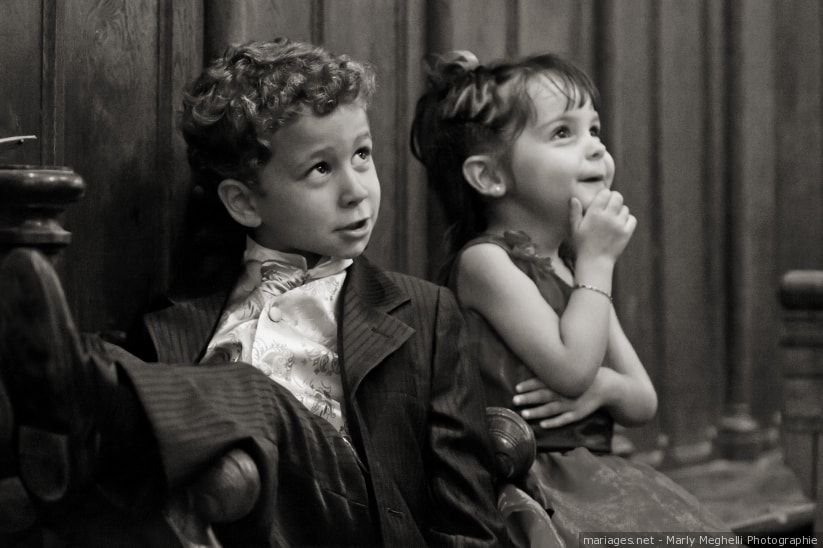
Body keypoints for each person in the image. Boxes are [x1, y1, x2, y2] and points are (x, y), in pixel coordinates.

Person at [0, 38, 508, 547]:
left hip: (352, 520)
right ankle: (69, 394)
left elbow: (468, 519)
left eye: (361, 154)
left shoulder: (424, 313)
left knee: (259, 399)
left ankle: (81, 379)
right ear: (243, 202)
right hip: (227, 519)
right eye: (321, 169)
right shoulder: (173, 320)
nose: (357, 189)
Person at [410, 50, 734, 545]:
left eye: (595, 130)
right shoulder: (486, 263)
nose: (595, 149)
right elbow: (570, 368)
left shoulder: (571, 267)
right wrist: (598, 265)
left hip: (599, 479)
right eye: (563, 133)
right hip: (537, 491)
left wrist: (602, 388)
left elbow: (641, 398)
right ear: (490, 177)